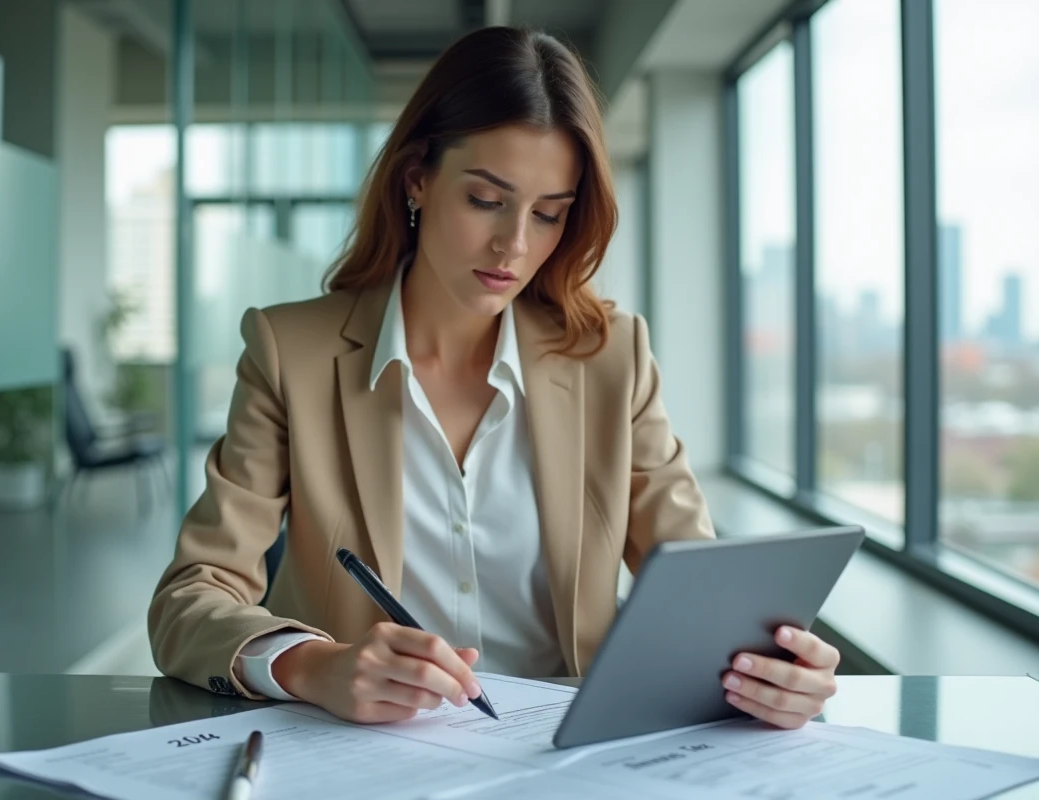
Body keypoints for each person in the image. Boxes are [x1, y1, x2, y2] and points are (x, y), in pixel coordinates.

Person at [148, 26, 839, 731]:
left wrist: (770, 669)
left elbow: (697, 586)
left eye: (548, 215)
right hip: (370, 760)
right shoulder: (289, 350)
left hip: (573, 760)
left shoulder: (611, 357)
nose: (514, 245)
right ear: (417, 176)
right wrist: (314, 666)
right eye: (486, 200)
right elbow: (190, 597)